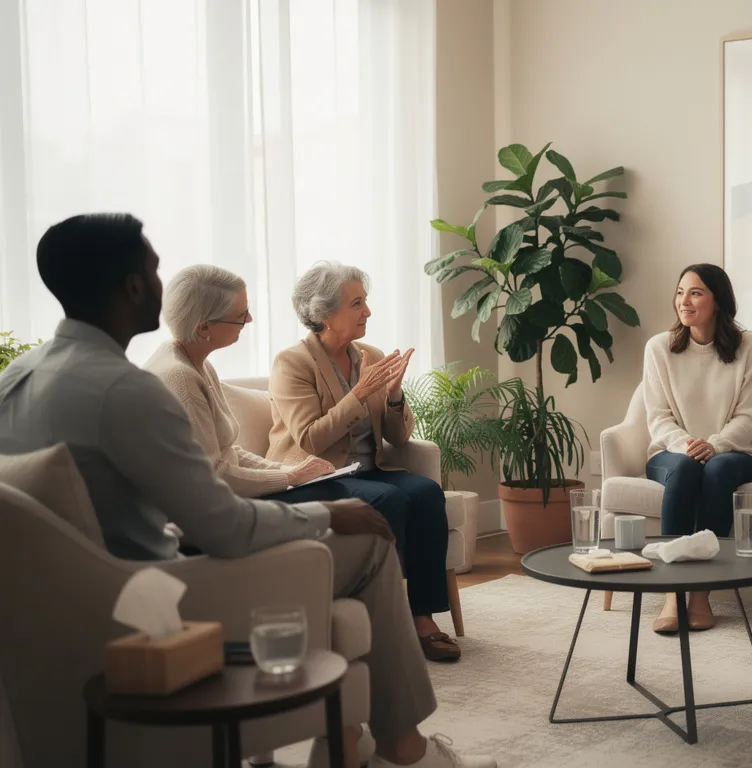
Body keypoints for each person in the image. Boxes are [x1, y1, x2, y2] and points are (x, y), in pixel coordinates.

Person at [0, 214, 493, 768]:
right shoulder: (132, 390)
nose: (165, 290)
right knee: (372, 543)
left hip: (79, 605)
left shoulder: (15, 378)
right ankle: (405, 751)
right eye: (155, 270)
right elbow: (224, 526)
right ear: (135, 286)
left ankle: (347, 740)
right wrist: (329, 514)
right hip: (156, 599)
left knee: (395, 502)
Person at [267, 262, 458, 662]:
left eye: (365, 302)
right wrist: (358, 394)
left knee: (424, 493)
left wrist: (393, 393)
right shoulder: (292, 363)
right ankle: (380, 621)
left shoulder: (368, 356)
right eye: (357, 304)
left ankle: (421, 616)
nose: (367, 312)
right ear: (323, 314)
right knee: (390, 501)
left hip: (367, 472)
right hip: (312, 478)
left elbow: (397, 436)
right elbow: (310, 439)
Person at [642, 263, 752, 633]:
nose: (685, 301)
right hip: (672, 452)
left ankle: (701, 592)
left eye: (695, 293)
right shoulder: (659, 348)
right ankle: (672, 592)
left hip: (737, 453)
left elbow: (748, 418)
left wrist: (714, 446)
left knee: (716, 469)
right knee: (685, 468)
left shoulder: (749, 348)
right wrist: (687, 446)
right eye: (680, 292)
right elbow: (658, 417)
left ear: (718, 301)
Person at [145, 265, 342, 501]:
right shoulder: (180, 377)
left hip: (222, 496)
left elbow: (227, 452)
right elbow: (214, 475)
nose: (249, 319)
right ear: (204, 327)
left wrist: (289, 471)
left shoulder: (198, 362)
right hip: (201, 509)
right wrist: (290, 478)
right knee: (346, 498)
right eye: (240, 316)